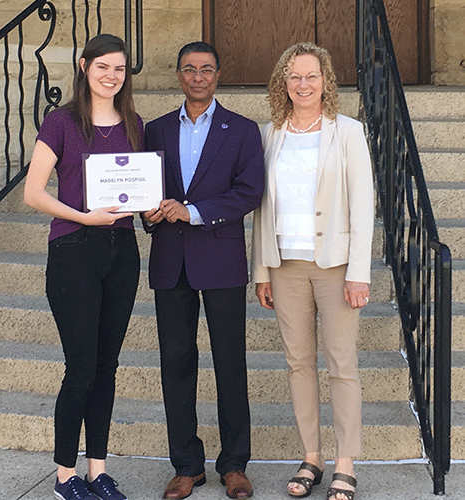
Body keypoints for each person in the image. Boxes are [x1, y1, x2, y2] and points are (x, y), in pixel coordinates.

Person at [251, 42, 374, 500]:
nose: (304, 85)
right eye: (295, 77)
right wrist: (261, 269)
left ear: (326, 82)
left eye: (312, 76)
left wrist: (358, 271)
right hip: (285, 264)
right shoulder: (271, 134)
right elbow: (262, 208)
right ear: (283, 83)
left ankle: (345, 462)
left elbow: (363, 208)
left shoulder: (347, 132)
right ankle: (312, 457)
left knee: (341, 363)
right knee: (297, 362)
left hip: (336, 267)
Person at [142, 41, 264, 499]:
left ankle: (234, 464)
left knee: (230, 363)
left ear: (218, 75)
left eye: (206, 69)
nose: (198, 77)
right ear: (178, 74)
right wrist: (148, 214)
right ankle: (187, 466)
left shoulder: (242, 130)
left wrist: (191, 211)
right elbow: (143, 191)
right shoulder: (153, 131)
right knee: (175, 363)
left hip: (222, 259)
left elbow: (249, 193)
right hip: (171, 262)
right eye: (189, 69)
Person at [24, 34, 142, 500]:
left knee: (107, 366)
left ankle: (98, 471)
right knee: (81, 367)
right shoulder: (61, 122)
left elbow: (139, 185)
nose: (111, 76)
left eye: (119, 69)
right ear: (84, 66)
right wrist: (83, 216)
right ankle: (64, 476)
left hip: (122, 251)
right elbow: (34, 193)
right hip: (74, 249)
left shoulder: (134, 123)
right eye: (103, 67)